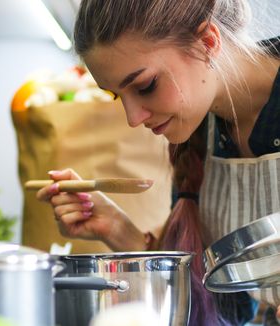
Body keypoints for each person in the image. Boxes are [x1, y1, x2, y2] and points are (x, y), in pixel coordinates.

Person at [36, 0, 280, 325]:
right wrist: (118, 229)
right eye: (117, 96)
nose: (133, 118)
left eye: (145, 86)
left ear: (207, 42)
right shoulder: (199, 132)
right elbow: (223, 309)